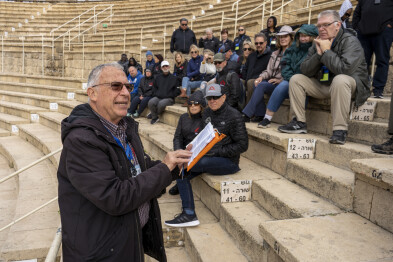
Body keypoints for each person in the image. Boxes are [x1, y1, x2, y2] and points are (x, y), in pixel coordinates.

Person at [57, 62, 192, 261]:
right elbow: (115, 197)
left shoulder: (124, 128)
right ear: (92, 93)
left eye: (128, 87)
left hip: (127, 242)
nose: (126, 93)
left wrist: (174, 165)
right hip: (103, 254)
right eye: (115, 86)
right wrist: (164, 168)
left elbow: (140, 171)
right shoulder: (82, 141)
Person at [278, 10, 370, 145]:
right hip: (326, 84)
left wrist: (326, 51)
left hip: (351, 85)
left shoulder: (350, 41)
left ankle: (340, 130)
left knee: (340, 79)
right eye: (319, 26)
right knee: (297, 79)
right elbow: (304, 70)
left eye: (326, 25)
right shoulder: (319, 41)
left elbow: (345, 70)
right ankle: (299, 122)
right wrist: (319, 54)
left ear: (338, 25)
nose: (321, 29)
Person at [165, 84, 248, 227]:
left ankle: (189, 214)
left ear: (224, 97)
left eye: (216, 97)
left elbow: (242, 145)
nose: (212, 100)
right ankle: (188, 209)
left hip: (228, 161)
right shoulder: (208, 113)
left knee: (190, 165)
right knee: (182, 167)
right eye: (209, 98)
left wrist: (216, 151)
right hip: (209, 157)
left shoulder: (234, 116)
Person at [258, 24, 318, 128]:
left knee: (300, 88)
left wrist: (296, 79)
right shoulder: (293, 47)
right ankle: (267, 118)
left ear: (312, 36)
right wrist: (292, 78)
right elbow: (285, 65)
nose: (303, 38)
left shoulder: (315, 49)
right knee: (282, 86)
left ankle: (296, 120)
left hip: (307, 80)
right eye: (301, 35)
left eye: (306, 36)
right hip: (291, 79)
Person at [242, 26, 294, 123]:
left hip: (285, 83)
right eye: (281, 37)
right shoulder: (275, 54)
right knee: (257, 84)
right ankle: (257, 113)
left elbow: (294, 72)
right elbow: (268, 71)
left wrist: (280, 80)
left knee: (260, 85)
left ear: (291, 37)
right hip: (273, 82)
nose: (282, 39)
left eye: (285, 36)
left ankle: (246, 114)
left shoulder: (294, 53)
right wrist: (261, 77)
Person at [352, 0, 393, 98]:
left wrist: (390, 26)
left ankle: (378, 90)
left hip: (383, 31)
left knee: (382, 60)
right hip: (364, 33)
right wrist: (357, 28)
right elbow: (357, 13)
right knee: (361, 62)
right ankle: (361, 89)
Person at [169, 91, 206, 195]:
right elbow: (177, 137)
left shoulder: (205, 119)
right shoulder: (183, 117)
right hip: (184, 151)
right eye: (190, 104)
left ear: (202, 105)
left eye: (196, 103)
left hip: (197, 152)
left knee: (183, 167)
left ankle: (179, 184)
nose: (193, 106)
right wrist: (178, 151)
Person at [242, 33, 272, 104]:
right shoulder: (252, 55)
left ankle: (248, 112)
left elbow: (269, 72)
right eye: (256, 43)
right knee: (238, 81)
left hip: (261, 81)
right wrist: (246, 78)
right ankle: (238, 107)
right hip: (248, 79)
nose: (258, 45)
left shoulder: (271, 56)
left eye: (261, 43)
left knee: (250, 82)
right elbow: (245, 69)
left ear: (265, 43)